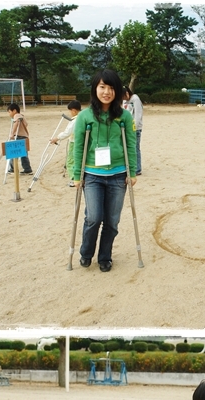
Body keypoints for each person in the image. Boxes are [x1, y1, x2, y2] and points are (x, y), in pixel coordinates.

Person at [73, 69, 137, 273]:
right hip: (92, 175)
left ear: (117, 91)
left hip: (118, 175)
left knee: (112, 220)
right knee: (93, 217)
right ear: (95, 89)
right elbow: (78, 147)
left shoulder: (125, 116)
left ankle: (105, 256)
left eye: (110, 88)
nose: (106, 92)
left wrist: (132, 171)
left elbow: (131, 144)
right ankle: (85, 253)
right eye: (102, 87)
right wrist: (77, 174)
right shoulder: (84, 116)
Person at [49, 99, 82, 187]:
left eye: (70, 111)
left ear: (74, 110)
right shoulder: (82, 117)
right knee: (79, 160)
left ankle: (73, 178)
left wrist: (56, 138)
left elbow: (67, 132)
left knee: (70, 161)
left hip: (74, 142)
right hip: (81, 142)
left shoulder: (74, 120)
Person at [6, 103, 33, 174]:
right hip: (25, 137)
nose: (9, 114)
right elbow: (26, 124)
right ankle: (27, 169)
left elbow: (16, 123)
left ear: (14, 110)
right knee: (24, 154)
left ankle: (13, 169)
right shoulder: (22, 116)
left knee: (13, 153)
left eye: (9, 112)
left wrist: (12, 133)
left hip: (19, 137)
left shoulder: (17, 115)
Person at [123, 86, 143, 175]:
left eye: (123, 96)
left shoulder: (135, 99)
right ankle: (129, 166)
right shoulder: (124, 101)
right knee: (128, 148)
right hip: (127, 127)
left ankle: (137, 168)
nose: (123, 99)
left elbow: (138, 115)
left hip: (135, 128)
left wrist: (134, 127)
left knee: (135, 148)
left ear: (127, 93)